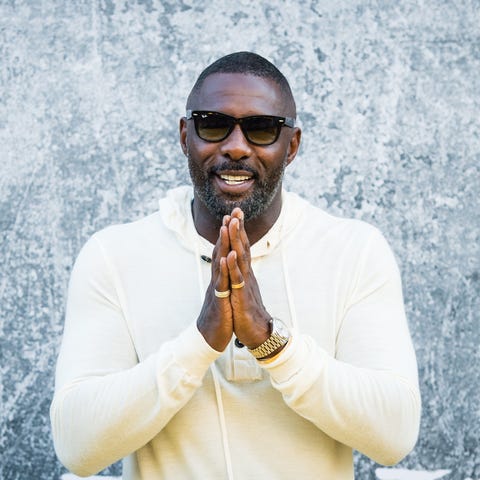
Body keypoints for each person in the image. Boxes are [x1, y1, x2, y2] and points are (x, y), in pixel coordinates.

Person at [50, 51, 421, 480]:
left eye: (262, 129)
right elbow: (77, 447)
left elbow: (394, 436)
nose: (236, 146)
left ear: (293, 145)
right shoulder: (113, 256)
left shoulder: (354, 251)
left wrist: (270, 341)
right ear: (185, 135)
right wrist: (200, 343)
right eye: (213, 124)